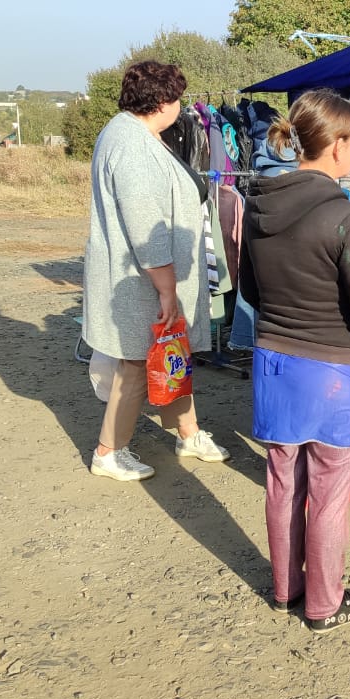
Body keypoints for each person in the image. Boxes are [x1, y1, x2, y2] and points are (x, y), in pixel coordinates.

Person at [239, 89, 350, 633]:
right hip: (336, 372)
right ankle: (324, 604)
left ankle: (287, 590)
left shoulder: (258, 206)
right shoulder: (344, 216)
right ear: (338, 146)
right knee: (328, 496)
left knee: (283, 483)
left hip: (276, 364)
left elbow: (251, 290)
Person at [82, 61, 231, 482]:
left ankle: (189, 433)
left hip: (144, 276)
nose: (181, 106)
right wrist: (167, 288)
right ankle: (108, 451)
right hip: (142, 281)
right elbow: (146, 226)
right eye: (178, 98)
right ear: (162, 101)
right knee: (135, 364)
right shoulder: (133, 147)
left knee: (173, 353)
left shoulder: (133, 132)